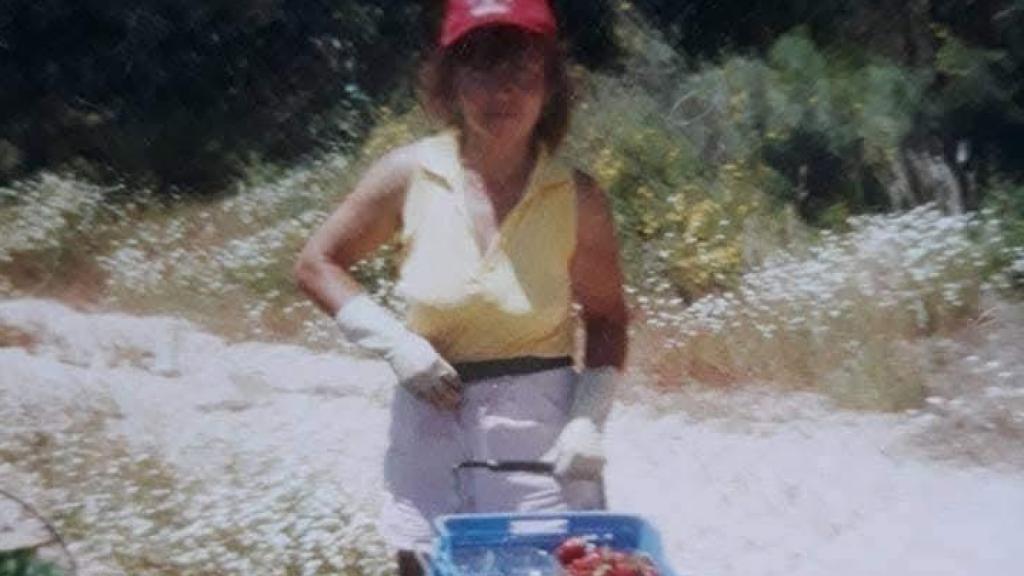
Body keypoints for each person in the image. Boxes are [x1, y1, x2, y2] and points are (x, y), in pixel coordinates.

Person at [293, 0, 629, 573]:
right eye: (482, 70)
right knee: (424, 562)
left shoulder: (577, 197)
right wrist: (393, 342)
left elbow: (607, 318)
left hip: (539, 433)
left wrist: (587, 420)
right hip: (430, 422)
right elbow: (317, 263)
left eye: (522, 74)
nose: (503, 94)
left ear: (551, 87)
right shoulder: (409, 174)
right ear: (449, 81)